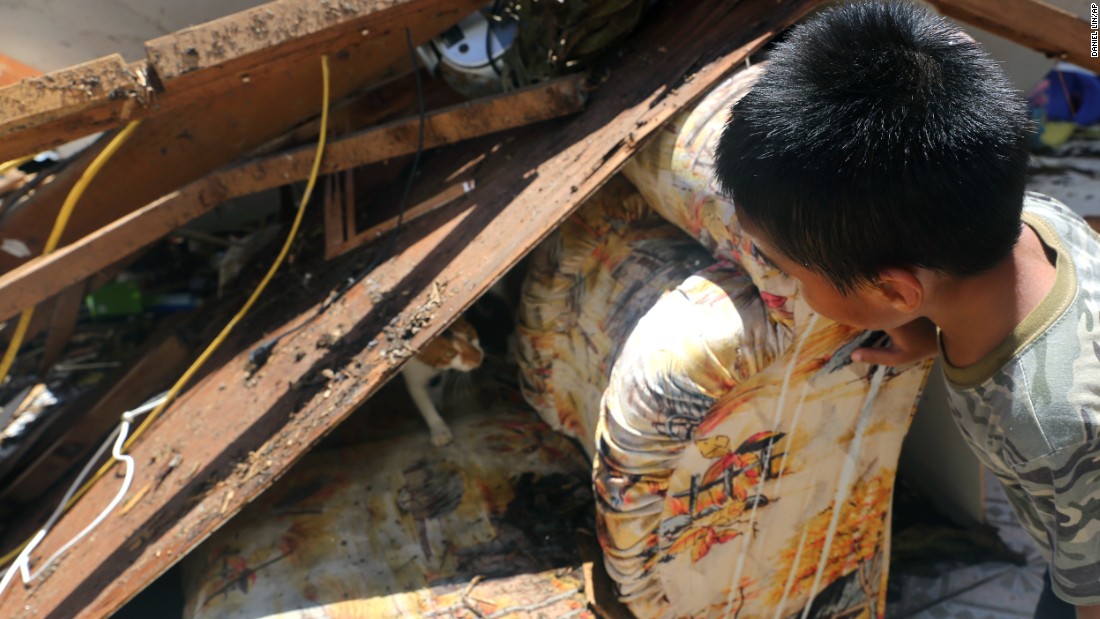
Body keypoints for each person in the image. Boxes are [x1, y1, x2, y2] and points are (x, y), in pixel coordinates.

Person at [712, 2, 1100, 618]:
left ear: (894, 292)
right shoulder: (1037, 217)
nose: (794, 290)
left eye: (794, 273)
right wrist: (929, 334)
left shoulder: (1046, 421)